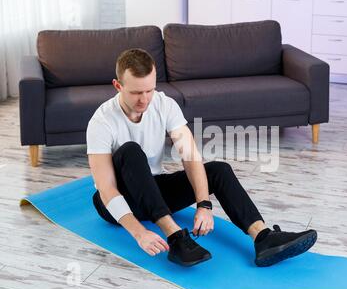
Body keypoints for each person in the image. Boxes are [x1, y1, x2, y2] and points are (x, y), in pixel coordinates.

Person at [86, 48, 317, 267]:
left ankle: (263, 237)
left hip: (151, 192)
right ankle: (176, 238)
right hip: (116, 203)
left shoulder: (164, 104)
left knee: (218, 170)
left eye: (149, 90)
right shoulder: (102, 121)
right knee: (131, 151)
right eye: (136, 92)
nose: (144, 99)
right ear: (118, 86)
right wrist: (140, 233)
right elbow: (107, 189)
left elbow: (190, 155)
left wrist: (204, 204)